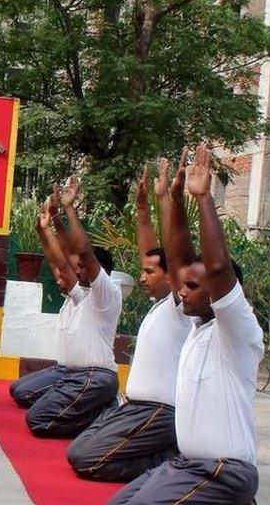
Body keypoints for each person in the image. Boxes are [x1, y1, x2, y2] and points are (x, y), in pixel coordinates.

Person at [104, 145, 270, 505]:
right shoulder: (195, 328)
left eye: (192, 288)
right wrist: (174, 201)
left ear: (222, 295)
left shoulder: (237, 331)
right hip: (190, 465)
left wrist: (204, 199)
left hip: (225, 471)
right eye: (181, 285)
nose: (181, 291)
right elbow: (180, 257)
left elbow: (216, 270)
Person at [66, 164, 191, 481]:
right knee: (75, 450)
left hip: (159, 413)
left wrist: (168, 200)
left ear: (172, 276)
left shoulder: (180, 305)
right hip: (135, 407)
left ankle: (168, 460)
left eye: (151, 272)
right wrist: (141, 206)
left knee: (87, 461)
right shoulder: (159, 304)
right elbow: (149, 249)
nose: (142, 276)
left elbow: (175, 252)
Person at [9, 177, 122, 438]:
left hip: (95, 376)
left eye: (82, 268)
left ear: (97, 271)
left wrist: (69, 209)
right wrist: (45, 228)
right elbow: (59, 263)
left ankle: (107, 411)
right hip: (67, 373)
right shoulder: (79, 294)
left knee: (38, 419)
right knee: (20, 392)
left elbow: (81, 253)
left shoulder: (105, 294)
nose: (74, 271)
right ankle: (83, 404)